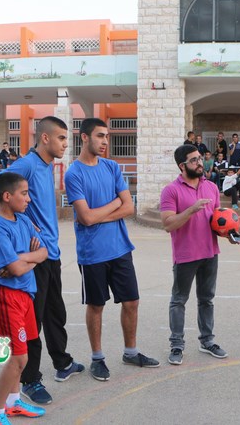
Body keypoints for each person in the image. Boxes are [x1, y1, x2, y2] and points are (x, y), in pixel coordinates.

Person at [0, 116, 83, 405]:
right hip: (35, 257)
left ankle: (62, 363)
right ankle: (30, 380)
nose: (65, 143)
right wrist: (18, 220)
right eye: (61, 138)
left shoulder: (46, 167)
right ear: (45, 138)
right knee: (32, 320)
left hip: (50, 253)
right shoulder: (26, 164)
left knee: (55, 313)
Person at [64, 117, 159, 382]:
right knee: (96, 305)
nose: (105, 141)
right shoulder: (74, 173)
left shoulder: (112, 167)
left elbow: (129, 208)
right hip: (92, 253)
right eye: (100, 136)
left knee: (132, 302)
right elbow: (85, 217)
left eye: (107, 136)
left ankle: (131, 352)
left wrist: (99, 214)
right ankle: (97, 358)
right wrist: (113, 205)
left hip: (120, 248)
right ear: (84, 137)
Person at [0, 172, 48, 424]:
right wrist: (26, 260)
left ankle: (13, 401)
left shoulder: (24, 220)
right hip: (6, 297)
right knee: (18, 357)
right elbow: (16, 269)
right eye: (24, 193)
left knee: (23, 351)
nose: (29, 199)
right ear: (7, 197)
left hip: (24, 293)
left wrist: (22, 258)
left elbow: (43, 252)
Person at [160, 144, 232, 366]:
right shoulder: (171, 190)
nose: (200, 163)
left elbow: (217, 221)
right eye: (194, 160)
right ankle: (177, 345)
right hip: (185, 255)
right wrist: (191, 210)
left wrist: (229, 234)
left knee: (207, 300)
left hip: (210, 253)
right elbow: (168, 224)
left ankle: (207, 341)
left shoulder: (211, 187)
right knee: (179, 300)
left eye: (200, 159)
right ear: (182, 166)